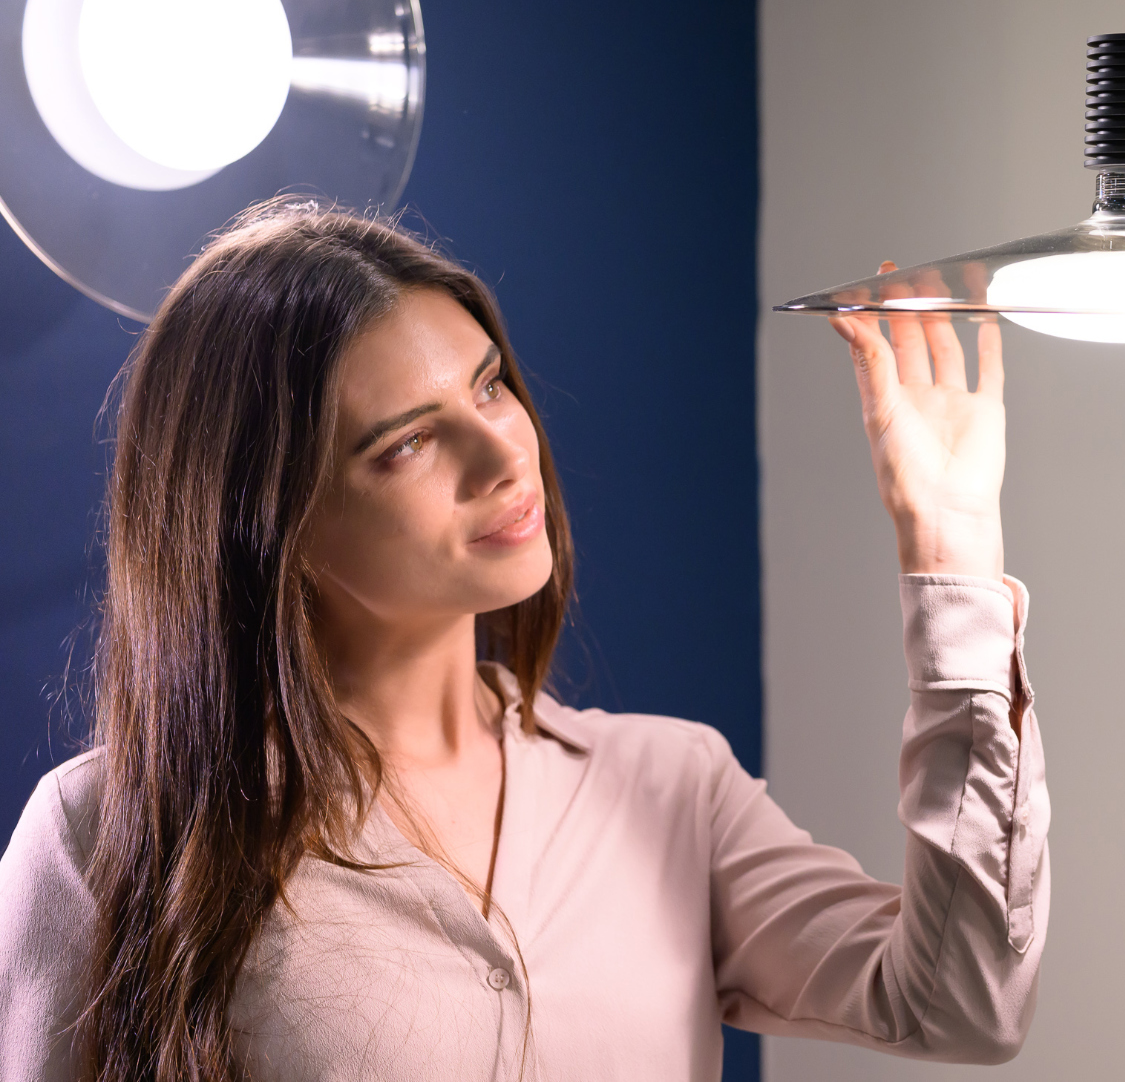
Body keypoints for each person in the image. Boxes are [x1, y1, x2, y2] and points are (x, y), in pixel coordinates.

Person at [0, 203, 1048, 1081]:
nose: (504, 452)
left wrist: (949, 549)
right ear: (273, 524)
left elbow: (964, 1000)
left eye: (489, 383)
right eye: (408, 441)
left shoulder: (674, 787)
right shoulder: (106, 835)